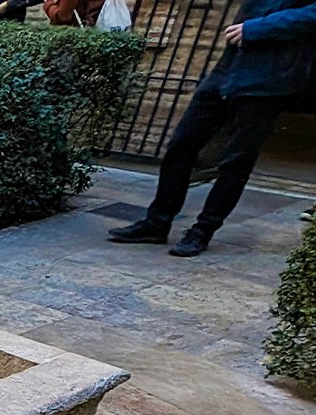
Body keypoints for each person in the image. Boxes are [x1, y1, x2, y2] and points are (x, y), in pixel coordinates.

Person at [109, 0, 316, 256]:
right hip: (228, 68)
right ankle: (157, 222)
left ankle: (202, 231)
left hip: (270, 78)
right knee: (181, 144)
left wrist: (258, 28)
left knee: (235, 161)